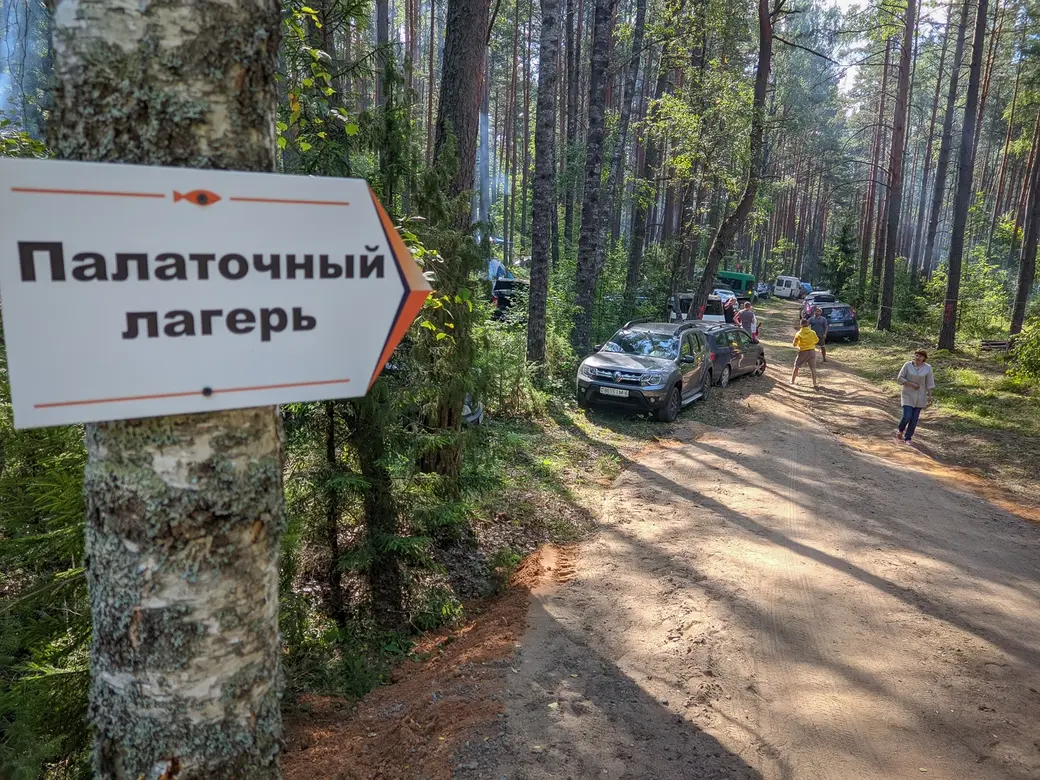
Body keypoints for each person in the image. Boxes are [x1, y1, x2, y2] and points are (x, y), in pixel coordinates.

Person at [896, 349, 935, 444]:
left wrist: (930, 397)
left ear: (924, 358)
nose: (918, 358)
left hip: (920, 396)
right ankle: (900, 430)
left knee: (914, 420)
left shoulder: (928, 368)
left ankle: (908, 438)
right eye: (916, 355)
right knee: (907, 416)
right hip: (907, 394)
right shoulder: (907, 365)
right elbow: (900, 378)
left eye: (920, 356)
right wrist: (911, 384)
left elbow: (929, 383)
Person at [791, 318, 820, 389]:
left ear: (801, 325)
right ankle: (815, 383)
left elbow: (794, 344)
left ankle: (792, 381)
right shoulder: (812, 332)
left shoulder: (798, 334)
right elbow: (816, 340)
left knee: (796, 366)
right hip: (812, 351)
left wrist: (797, 343)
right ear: (807, 324)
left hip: (803, 352)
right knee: (813, 368)